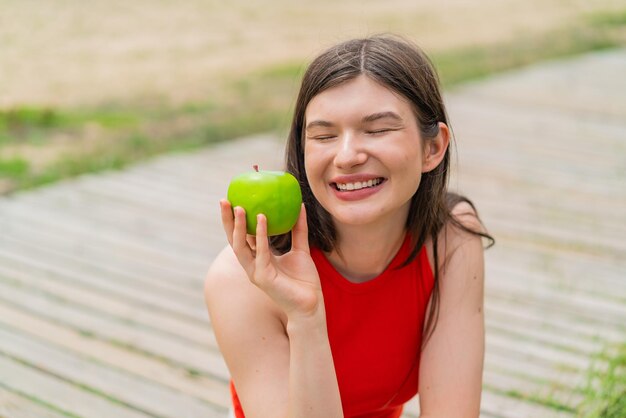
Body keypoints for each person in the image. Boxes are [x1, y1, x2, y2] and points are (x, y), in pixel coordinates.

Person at [204, 34, 494, 418]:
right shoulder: (242, 279)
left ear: (433, 148)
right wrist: (305, 317)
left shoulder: (451, 240)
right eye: (324, 136)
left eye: (376, 130)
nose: (347, 156)